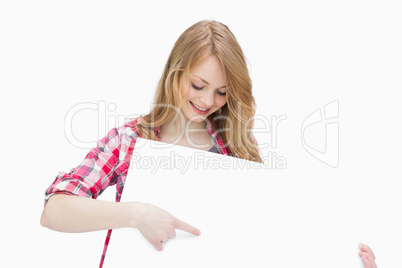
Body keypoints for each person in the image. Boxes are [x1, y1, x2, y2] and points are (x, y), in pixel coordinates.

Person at [40, 20, 377, 267]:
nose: (207, 100)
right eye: (198, 84)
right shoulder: (130, 140)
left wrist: (345, 257)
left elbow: (269, 245)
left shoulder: (237, 150)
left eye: (222, 91)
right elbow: (54, 211)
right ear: (176, 73)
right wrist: (136, 214)